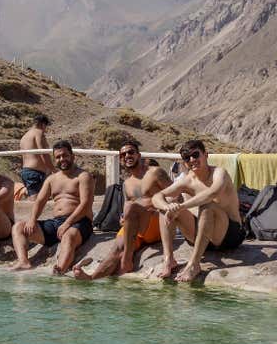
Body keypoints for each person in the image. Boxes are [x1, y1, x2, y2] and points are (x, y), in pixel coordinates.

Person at [74, 141, 172, 280]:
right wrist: (123, 217)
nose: (127, 156)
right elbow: (126, 208)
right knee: (116, 248)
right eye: (123, 154)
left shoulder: (155, 173)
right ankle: (92, 278)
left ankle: (126, 260)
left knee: (131, 207)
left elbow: (176, 197)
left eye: (131, 152)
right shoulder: (126, 183)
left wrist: (151, 204)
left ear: (139, 155)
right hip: (135, 227)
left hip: (156, 223)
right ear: (120, 159)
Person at [152, 140, 245, 282]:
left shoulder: (219, 173)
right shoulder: (187, 180)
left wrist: (181, 207)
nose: (192, 160)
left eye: (195, 155)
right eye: (187, 158)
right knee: (167, 205)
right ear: (184, 162)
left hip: (228, 235)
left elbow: (211, 194)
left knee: (207, 205)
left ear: (206, 155)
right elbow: (157, 197)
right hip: (200, 235)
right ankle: (169, 259)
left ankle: (194, 264)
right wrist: (168, 207)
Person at [11, 140, 94, 274]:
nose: (62, 159)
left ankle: (60, 269)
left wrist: (68, 223)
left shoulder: (83, 176)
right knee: (18, 227)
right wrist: (32, 219)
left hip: (79, 222)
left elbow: (85, 204)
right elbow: (39, 201)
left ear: (72, 156)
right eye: (58, 157)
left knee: (68, 236)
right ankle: (24, 261)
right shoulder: (51, 179)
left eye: (65, 155)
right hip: (56, 224)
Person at [18, 115, 55, 200]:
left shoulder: (25, 136)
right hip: (35, 173)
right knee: (36, 201)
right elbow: (43, 153)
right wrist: (53, 169)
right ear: (43, 124)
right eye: (46, 126)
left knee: (36, 199)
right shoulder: (39, 133)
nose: (45, 130)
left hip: (26, 171)